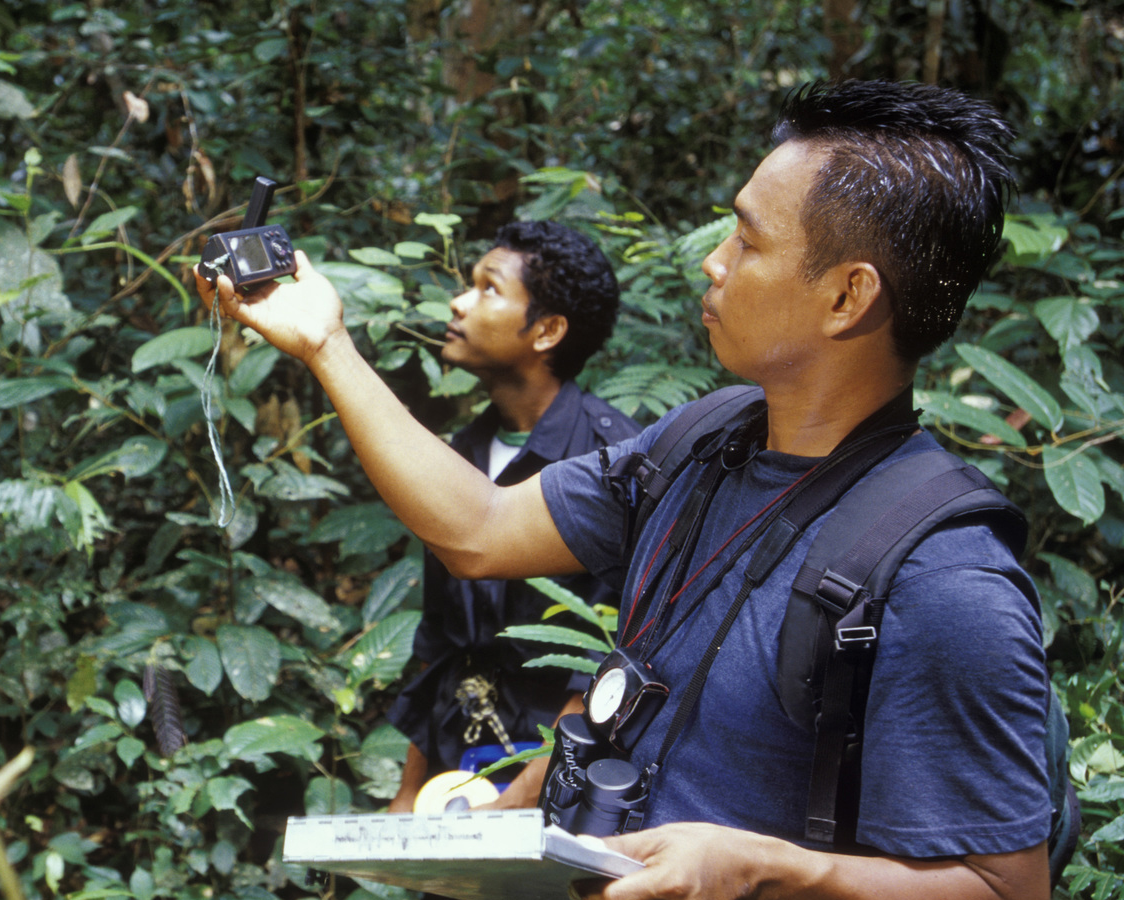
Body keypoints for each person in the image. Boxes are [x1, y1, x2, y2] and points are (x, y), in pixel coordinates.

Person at [199, 79, 1050, 900]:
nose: (714, 263)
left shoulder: (945, 580)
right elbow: (481, 528)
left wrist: (771, 867)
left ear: (847, 295)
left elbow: (1007, 889)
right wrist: (325, 344)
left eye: (747, 241)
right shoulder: (705, 442)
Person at [383, 221, 638, 814]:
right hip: (453, 781)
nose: (459, 302)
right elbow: (439, 644)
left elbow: (613, 665)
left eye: (488, 288)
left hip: (561, 789)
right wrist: (406, 795)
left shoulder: (614, 462)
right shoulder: (459, 457)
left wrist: (516, 808)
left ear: (547, 331)